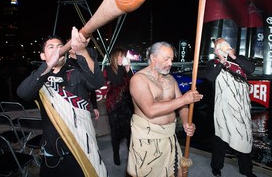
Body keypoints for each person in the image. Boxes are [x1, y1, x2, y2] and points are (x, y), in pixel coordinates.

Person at [17, 27, 107, 177]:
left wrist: (82, 51)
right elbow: (23, 93)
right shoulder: (40, 79)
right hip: (51, 153)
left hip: (80, 151)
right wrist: (47, 66)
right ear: (42, 56)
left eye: (60, 47)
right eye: (50, 47)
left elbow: (97, 82)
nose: (57, 50)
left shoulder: (76, 73)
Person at [127, 41, 203, 177]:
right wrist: (184, 99)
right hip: (148, 139)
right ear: (153, 58)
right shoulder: (138, 79)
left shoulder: (171, 80)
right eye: (166, 59)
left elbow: (182, 106)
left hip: (170, 136)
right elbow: (150, 110)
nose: (170, 63)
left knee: (175, 172)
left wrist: (186, 122)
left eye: (172, 59)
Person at [205, 38, 256, 177]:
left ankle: (246, 170)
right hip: (223, 107)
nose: (222, 47)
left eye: (224, 45)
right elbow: (210, 77)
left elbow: (251, 69)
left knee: (244, 137)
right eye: (218, 46)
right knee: (220, 138)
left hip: (241, 108)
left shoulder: (238, 60)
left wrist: (232, 55)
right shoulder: (213, 63)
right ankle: (216, 166)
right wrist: (221, 61)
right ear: (215, 51)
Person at [103, 47, 134, 165]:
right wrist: (122, 68)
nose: (123, 58)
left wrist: (129, 70)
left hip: (126, 104)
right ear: (115, 57)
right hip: (113, 105)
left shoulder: (124, 69)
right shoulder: (108, 69)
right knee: (115, 132)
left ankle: (131, 154)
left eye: (124, 56)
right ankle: (116, 153)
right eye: (120, 56)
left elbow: (133, 83)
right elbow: (116, 82)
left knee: (129, 131)